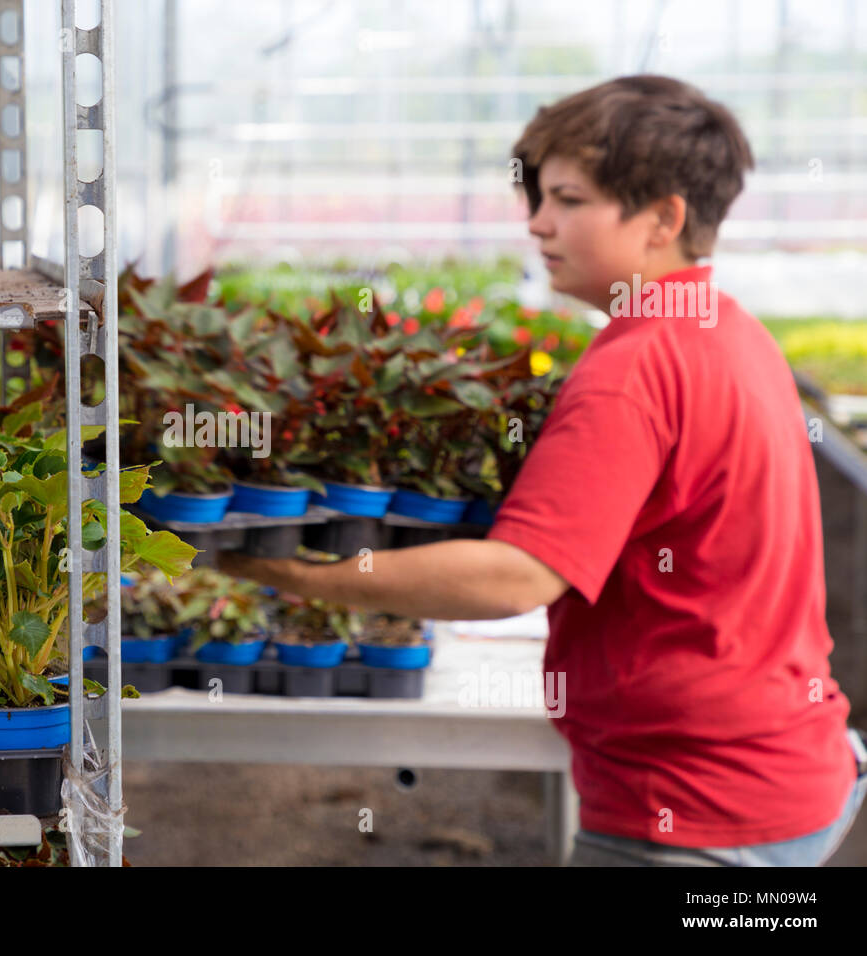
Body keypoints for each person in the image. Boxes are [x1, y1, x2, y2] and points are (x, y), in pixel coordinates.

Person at [217, 75, 867, 866]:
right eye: (539, 198)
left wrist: (290, 571)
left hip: (692, 814)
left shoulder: (636, 366)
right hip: (789, 778)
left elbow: (513, 580)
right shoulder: (730, 332)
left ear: (665, 216)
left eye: (569, 199)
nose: (538, 224)